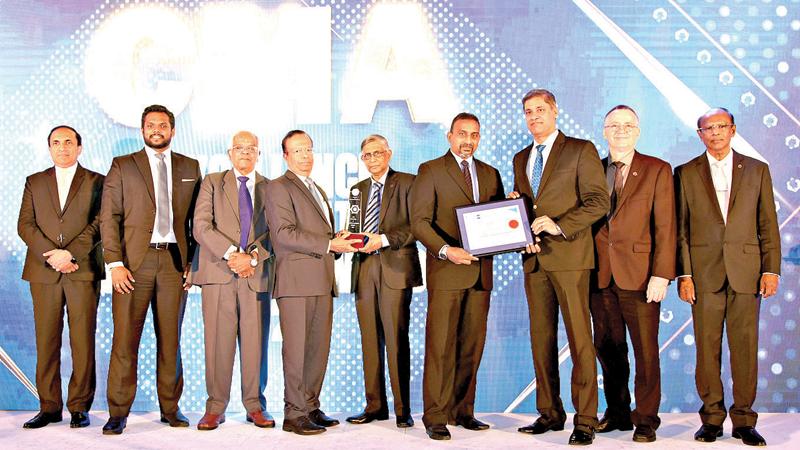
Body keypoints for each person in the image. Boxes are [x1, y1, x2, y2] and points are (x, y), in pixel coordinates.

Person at [675, 108, 780, 447]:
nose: (716, 133)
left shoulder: (756, 169)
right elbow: (682, 231)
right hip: (703, 276)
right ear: (699, 133)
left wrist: (770, 269)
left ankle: (745, 420)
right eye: (708, 128)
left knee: (745, 349)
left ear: (733, 130)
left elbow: (768, 224)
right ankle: (712, 419)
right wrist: (685, 274)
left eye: (721, 126)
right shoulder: (686, 173)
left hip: (747, 274)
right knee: (707, 350)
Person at [510, 89, 609, 446]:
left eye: (540, 110)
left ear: (555, 112)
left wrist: (560, 224)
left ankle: (585, 419)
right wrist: (515, 213)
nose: (534, 116)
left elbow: (599, 201)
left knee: (581, 340)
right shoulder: (521, 157)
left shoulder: (581, 150)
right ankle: (550, 413)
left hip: (570, 258)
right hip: (534, 260)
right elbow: (527, 205)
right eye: (528, 111)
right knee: (541, 340)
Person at [100, 104, 201, 435]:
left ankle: (170, 408)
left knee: (170, 341)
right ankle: (118, 411)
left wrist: (193, 264)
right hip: (132, 266)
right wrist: (114, 263)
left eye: (163, 124)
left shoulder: (189, 166)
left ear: (172, 130)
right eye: (150, 124)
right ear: (141, 130)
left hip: (174, 264)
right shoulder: (123, 165)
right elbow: (109, 217)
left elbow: (196, 222)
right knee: (125, 341)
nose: (156, 129)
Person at [410, 112, 505, 441]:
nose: (468, 140)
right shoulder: (431, 170)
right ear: (449, 136)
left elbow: (500, 220)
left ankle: (463, 410)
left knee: (471, 346)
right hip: (447, 271)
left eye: (474, 135)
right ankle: (435, 415)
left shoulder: (491, 174)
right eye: (462, 134)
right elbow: (419, 222)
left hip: (481, 274)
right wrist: (446, 250)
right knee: (440, 346)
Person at [265, 130, 360, 436]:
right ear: (285, 156)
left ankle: (310, 405)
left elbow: (321, 236)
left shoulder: (315, 186)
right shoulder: (278, 187)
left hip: (321, 280)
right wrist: (330, 243)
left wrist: (338, 240)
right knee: (296, 351)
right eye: (297, 151)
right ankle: (293, 414)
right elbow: (284, 234)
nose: (305, 155)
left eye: (308, 149)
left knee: (318, 350)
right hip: (295, 283)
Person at [589, 105, 676, 443]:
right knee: (608, 348)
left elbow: (666, 226)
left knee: (645, 352)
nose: (621, 130)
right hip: (599, 276)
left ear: (637, 131)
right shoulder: (592, 170)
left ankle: (646, 419)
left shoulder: (657, 169)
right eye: (614, 125)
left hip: (641, 277)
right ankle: (618, 412)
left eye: (628, 125)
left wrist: (662, 274)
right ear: (604, 130)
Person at [17, 125, 104, 429]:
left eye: (69, 142)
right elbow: (25, 226)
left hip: (82, 270)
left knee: (82, 340)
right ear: (49, 148)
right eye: (56, 143)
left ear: (79, 147)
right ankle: (49, 407)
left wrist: (70, 254)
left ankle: (79, 406)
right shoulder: (35, 182)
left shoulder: (98, 181)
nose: (63, 147)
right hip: (44, 271)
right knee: (47, 340)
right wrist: (53, 255)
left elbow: (99, 223)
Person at [191, 131, 274, 430]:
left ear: (258, 153)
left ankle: (255, 406)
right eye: (240, 148)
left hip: (255, 274)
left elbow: (276, 232)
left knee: (255, 345)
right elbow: (200, 226)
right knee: (217, 344)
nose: (245, 153)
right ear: (229, 153)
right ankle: (215, 407)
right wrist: (231, 255)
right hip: (218, 273)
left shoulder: (271, 187)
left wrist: (251, 258)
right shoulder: (212, 182)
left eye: (251, 148)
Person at [345, 135, 421, 429]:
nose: (373, 159)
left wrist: (384, 239)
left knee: (396, 340)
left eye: (378, 153)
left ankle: (403, 409)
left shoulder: (408, 182)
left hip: (395, 267)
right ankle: (375, 405)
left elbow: (418, 224)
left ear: (389, 154)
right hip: (364, 269)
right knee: (369, 342)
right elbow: (354, 229)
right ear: (362, 159)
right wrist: (347, 240)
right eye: (367, 155)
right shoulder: (357, 190)